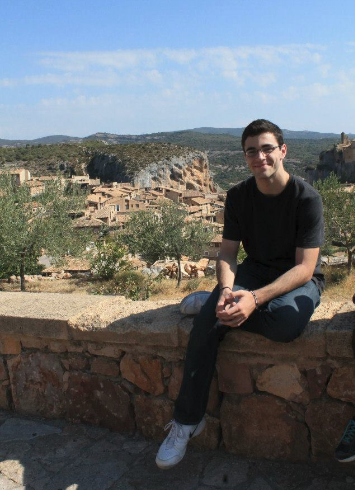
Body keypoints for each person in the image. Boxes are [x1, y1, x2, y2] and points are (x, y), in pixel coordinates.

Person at [155, 119, 325, 469]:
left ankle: (209, 302)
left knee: (287, 325)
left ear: (282, 151)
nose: (259, 156)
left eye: (266, 148)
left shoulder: (307, 198)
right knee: (210, 322)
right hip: (254, 269)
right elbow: (229, 254)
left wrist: (254, 299)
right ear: (245, 157)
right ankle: (187, 421)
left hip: (298, 277)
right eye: (251, 151)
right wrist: (229, 290)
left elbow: (305, 268)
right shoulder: (238, 196)